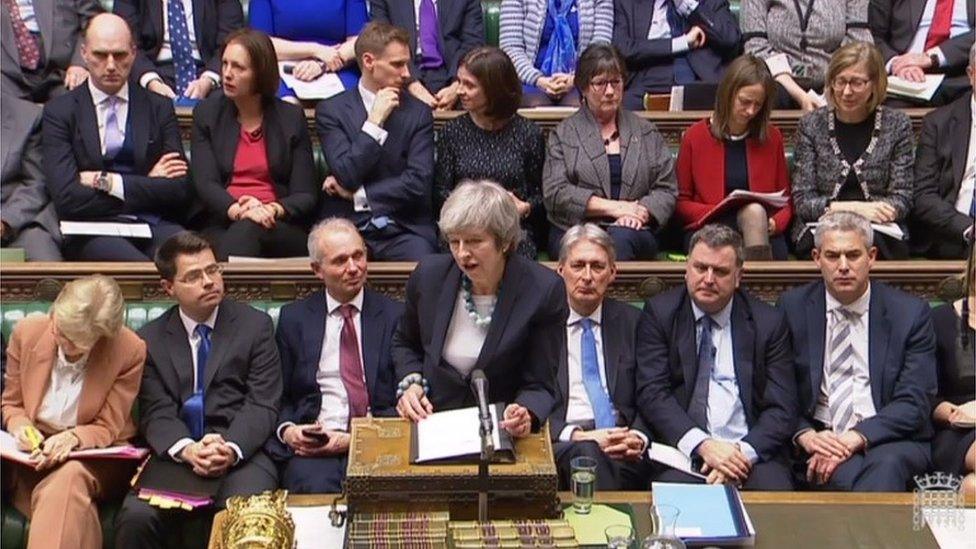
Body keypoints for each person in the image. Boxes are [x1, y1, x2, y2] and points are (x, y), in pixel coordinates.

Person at [115, 232, 282, 548]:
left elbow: (262, 403)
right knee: (136, 518)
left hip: (242, 455)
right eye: (193, 276)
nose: (209, 281)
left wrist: (230, 448)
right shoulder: (150, 339)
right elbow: (156, 411)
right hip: (178, 455)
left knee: (244, 521)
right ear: (169, 287)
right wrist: (188, 449)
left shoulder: (255, 326)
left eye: (213, 270)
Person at [393, 181, 566, 436]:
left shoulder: (543, 290)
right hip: (433, 423)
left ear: (505, 241)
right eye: (454, 241)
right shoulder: (428, 277)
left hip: (501, 430)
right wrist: (412, 383)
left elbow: (540, 383)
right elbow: (405, 343)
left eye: (474, 241)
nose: (462, 253)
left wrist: (525, 411)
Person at [778, 212, 936, 491]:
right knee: (849, 475)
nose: (843, 266)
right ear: (816, 258)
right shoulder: (792, 308)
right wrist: (805, 435)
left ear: (871, 256)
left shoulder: (909, 314)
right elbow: (778, 389)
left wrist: (856, 437)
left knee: (883, 467)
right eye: (832, 256)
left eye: (853, 255)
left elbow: (914, 401)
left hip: (890, 437)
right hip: (819, 436)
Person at [636, 224, 796, 490]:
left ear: (738, 276)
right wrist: (704, 446)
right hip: (683, 452)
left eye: (720, 271)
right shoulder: (660, 314)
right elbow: (653, 394)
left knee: (775, 505)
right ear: (687, 269)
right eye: (700, 268)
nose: (708, 279)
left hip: (749, 453)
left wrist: (739, 455)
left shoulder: (768, 323)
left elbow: (782, 407)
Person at [1, 275, 145, 549]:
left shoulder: (129, 349)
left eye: (76, 343)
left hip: (95, 458)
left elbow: (108, 426)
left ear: (102, 338)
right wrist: (21, 428)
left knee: (68, 480)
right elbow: (12, 404)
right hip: (32, 458)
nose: (62, 344)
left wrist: (73, 439)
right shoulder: (27, 331)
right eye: (59, 330)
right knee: (71, 509)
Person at [268, 218, 403, 493]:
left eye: (358, 256)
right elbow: (276, 394)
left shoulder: (395, 315)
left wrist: (356, 438)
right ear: (317, 270)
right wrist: (290, 431)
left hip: (379, 438)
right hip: (315, 444)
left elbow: (405, 389)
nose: (353, 268)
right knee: (310, 494)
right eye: (340, 261)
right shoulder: (294, 319)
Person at [41, 13, 190, 261]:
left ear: (133, 53)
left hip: (153, 224)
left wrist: (109, 183)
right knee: (141, 268)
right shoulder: (60, 111)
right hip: (90, 229)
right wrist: (146, 184)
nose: (110, 65)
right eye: (100, 55)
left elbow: (179, 190)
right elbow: (67, 198)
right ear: (85, 53)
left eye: (119, 55)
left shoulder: (158, 106)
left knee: (188, 258)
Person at [190, 28, 317, 260]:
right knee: (243, 229)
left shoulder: (290, 118)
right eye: (225, 64)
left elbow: (305, 194)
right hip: (221, 222)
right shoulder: (206, 114)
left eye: (238, 67)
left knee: (250, 228)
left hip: (278, 225)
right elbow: (205, 183)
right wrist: (240, 210)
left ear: (260, 73)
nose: (227, 74)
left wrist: (270, 209)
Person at [316, 21, 437, 261]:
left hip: (403, 227)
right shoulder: (331, 110)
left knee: (424, 263)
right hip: (348, 226)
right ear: (369, 61)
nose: (406, 73)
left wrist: (358, 196)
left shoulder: (419, 112)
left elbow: (418, 182)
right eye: (397, 64)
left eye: (407, 63)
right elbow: (347, 173)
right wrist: (374, 122)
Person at [543, 44, 677, 261]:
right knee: (588, 247)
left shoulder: (645, 131)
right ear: (584, 88)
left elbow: (666, 189)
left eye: (616, 82)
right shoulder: (564, 134)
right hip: (576, 228)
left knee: (621, 238)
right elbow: (556, 193)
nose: (610, 91)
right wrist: (616, 209)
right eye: (600, 83)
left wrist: (641, 212)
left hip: (633, 229)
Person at [550, 224, 652, 490]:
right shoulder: (540, 325)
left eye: (597, 267)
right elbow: (525, 398)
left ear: (613, 273)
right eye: (578, 265)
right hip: (566, 443)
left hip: (624, 443)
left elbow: (653, 392)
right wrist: (580, 436)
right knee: (588, 455)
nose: (587, 276)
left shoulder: (635, 323)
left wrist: (638, 437)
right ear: (561, 270)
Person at [791, 42, 914, 260]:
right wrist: (855, 209)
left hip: (879, 229)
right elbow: (803, 201)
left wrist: (877, 213)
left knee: (871, 249)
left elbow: (902, 197)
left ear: (875, 84)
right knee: (829, 248)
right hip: (821, 224)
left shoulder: (897, 124)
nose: (847, 92)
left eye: (857, 83)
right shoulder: (811, 124)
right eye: (840, 82)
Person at [675, 54, 792, 261]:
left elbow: (785, 200)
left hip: (761, 227)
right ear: (729, 94)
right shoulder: (695, 136)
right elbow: (681, 203)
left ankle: (756, 289)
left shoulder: (772, 137)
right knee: (752, 215)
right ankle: (758, 292)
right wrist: (717, 212)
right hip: (709, 226)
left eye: (758, 105)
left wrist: (775, 223)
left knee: (757, 217)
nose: (750, 111)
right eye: (745, 102)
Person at [434, 47, 546, 258]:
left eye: (469, 85)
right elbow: (441, 194)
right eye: (459, 82)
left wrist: (526, 207)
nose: (459, 91)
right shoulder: (452, 132)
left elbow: (541, 197)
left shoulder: (528, 134)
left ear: (494, 89)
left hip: (511, 231)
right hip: (463, 228)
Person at [742, 0, 873, 110]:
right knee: (767, 96)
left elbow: (859, 44)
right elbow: (755, 46)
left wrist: (835, 86)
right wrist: (801, 96)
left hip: (835, 78)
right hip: (778, 81)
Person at [612, 0, 742, 110]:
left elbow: (730, 39)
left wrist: (689, 7)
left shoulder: (707, 2)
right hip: (648, 80)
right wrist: (683, 43)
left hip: (703, 81)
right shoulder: (627, 3)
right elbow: (623, 49)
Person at [911, 43, 975, 259]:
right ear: (971, 74)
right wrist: (968, 228)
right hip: (955, 234)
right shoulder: (939, 123)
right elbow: (923, 196)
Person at [113, 0, 244, 101]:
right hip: (151, 69)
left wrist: (209, 79)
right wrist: (151, 81)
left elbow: (230, 40)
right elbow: (127, 43)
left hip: (209, 69)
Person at [370, 0, 484, 110]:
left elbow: (473, 44)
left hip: (454, 71)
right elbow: (383, 42)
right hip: (405, 71)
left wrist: (457, 86)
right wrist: (414, 87)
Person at [499, 0, 613, 107]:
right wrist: (538, 80)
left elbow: (600, 48)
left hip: (582, 79)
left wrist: (576, 79)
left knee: (579, 105)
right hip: (528, 80)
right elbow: (511, 48)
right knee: (536, 104)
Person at [248, 0, 366, 100]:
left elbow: (358, 41)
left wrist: (322, 65)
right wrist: (315, 50)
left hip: (338, 66)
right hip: (281, 66)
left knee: (347, 107)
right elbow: (261, 43)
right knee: (284, 108)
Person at [930, 248, 975, 496]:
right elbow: (922, 395)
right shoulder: (939, 321)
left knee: (973, 488)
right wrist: (952, 413)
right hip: (958, 431)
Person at [869, 0, 974, 106]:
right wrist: (896, 63)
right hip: (903, 77)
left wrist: (934, 57)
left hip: (961, 75)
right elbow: (873, 34)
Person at [1, 89, 61, 261]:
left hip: (14, 222)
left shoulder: (28, 116)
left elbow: (35, 183)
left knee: (44, 263)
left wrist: (6, 221)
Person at [0, 0, 100, 103]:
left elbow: (94, 20)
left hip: (62, 73)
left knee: (79, 102)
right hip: (8, 75)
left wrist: (80, 62)